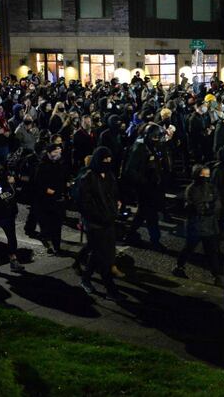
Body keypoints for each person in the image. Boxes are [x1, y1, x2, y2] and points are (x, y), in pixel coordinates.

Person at [78, 147, 125, 301]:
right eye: (105, 160)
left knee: (99, 254)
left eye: (109, 160)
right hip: (95, 224)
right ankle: (110, 289)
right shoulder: (88, 178)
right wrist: (97, 216)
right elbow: (84, 204)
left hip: (108, 220)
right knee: (103, 256)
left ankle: (85, 278)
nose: (108, 163)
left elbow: (113, 193)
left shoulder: (109, 176)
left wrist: (116, 204)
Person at [173, 164, 222, 284]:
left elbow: (217, 203)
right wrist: (207, 208)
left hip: (208, 224)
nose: (205, 177)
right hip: (196, 224)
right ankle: (179, 267)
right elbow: (196, 206)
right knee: (189, 248)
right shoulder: (192, 189)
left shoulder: (211, 188)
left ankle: (216, 276)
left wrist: (211, 208)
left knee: (211, 251)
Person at [123, 124, 166, 250]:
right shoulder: (139, 148)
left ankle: (130, 235)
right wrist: (144, 181)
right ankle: (155, 240)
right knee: (151, 214)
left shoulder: (149, 146)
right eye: (155, 137)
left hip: (151, 186)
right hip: (144, 187)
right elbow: (130, 170)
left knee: (143, 213)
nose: (157, 140)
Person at [33, 142, 67, 255]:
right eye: (55, 152)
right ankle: (50, 244)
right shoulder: (42, 166)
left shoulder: (60, 163)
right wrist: (47, 190)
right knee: (47, 225)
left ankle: (56, 246)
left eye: (59, 152)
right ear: (48, 153)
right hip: (45, 200)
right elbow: (38, 184)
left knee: (57, 224)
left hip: (57, 198)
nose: (57, 154)